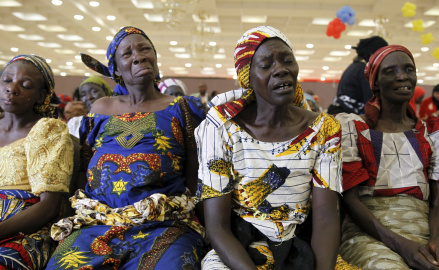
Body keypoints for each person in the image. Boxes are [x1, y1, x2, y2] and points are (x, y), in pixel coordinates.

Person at [196, 26, 357, 270]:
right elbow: (217, 227)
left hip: (300, 245)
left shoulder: (324, 128)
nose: (281, 69)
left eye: (287, 60)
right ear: (247, 77)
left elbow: (326, 220)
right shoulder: (220, 128)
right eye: (266, 65)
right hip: (240, 249)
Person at [46, 26, 206, 269]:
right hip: (97, 223)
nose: (139, 56)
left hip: (164, 223)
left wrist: (206, 226)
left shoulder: (182, 108)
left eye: (145, 49)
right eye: (127, 53)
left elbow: (196, 174)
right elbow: (85, 168)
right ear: (116, 69)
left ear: (155, 57)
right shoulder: (100, 109)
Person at [336, 45, 439, 269]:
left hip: (427, 230)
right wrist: (402, 245)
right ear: (374, 82)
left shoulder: (430, 131)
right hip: (370, 234)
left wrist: (437, 242)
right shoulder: (353, 128)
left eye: (408, 69)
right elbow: (351, 201)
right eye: (390, 71)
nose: (402, 76)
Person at [0, 54, 73, 269]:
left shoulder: (47, 131)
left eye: (25, 85)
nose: (12, 88)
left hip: (23, 231)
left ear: (42, 96)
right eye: (7, 80)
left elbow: (49, 207)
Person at [329, 36, 388, 115]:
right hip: (347, 116)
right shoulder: (364, 70)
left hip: (340, 111)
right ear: (372, 54)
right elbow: (370, 101)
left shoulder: (355, 67)